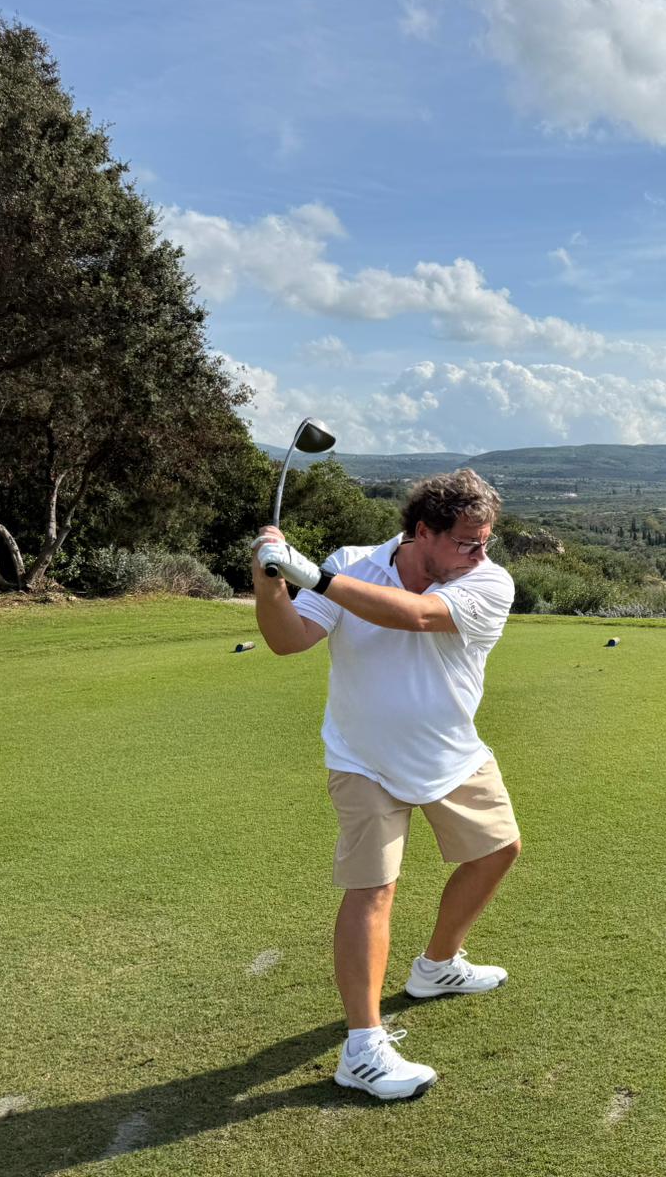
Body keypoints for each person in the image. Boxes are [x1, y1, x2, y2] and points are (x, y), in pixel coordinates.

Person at [251, 469, 520, 1101]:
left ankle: (437, 966)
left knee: (499, 850)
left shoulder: (489, 581)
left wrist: (310, 575)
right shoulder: (354, 563)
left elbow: (419, 617)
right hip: (363, 758)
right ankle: (363, 1048)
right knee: (373, 890)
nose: (479, 552)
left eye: (485, 540)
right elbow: (289, 641)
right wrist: (270, 583)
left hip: (451, 752)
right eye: (467, 541)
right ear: (423, 531)